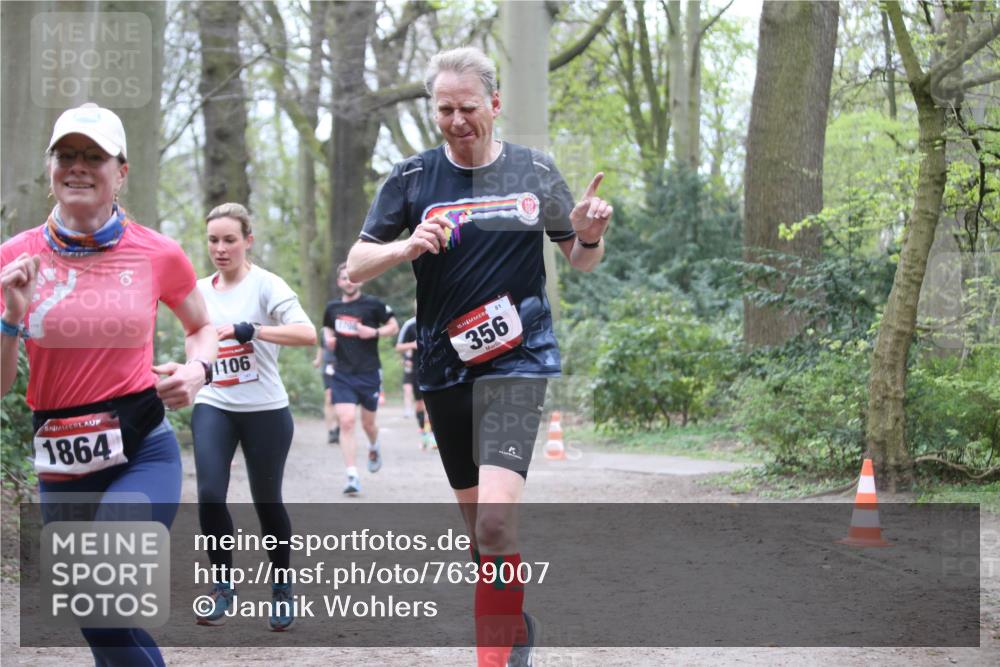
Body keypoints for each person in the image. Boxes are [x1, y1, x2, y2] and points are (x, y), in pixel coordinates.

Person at [346, 47, 612, 667]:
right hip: (443, 370)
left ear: (495, 104)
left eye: (468, 107)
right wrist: (406, 245)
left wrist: (590, 232)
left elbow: (580, 257)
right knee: (479, 537)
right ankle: (514, 625)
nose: (457, 119)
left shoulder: (535, 172)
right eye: (444, 109)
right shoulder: (412, 179)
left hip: (519, 363)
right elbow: (355, 265)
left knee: (495, 526)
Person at [0, 103, 216, 666]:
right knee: (100, 620)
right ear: (50, 168)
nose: (77, 167)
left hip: (141, 451)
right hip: (60, 463)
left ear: (121, 171)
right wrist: (11, 319)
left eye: (93, 156)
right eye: (66, 155)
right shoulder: (15, 257)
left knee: (102, 587)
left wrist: (198, 370)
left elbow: (202, 328)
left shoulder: (157, 252)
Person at [190, 203, 316, 631]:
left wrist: (254, 330)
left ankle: (281, 586)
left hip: (265, 410)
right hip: (214, 404)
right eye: (213, 240)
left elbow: (307, 333)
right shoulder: (198, 290)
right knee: (209, 493)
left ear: (248, 240)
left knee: (267, 502)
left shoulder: (266, 285)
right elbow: (194, 343)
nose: (220, 249)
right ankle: (222, 586)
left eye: (229, 239)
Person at [321, 263, 398, 495]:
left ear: (361, 280)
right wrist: (329, 339)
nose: (349, 281)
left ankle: (374, 445)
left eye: (353, 277)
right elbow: (326, 328)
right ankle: (352, 475)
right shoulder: (332, 308)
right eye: (344, 278)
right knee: (346, 421)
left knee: (368, 424)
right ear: (339, 282)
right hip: (342, 373)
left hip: (369, 373)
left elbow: (394, 326)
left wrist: (374, 332)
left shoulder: (373, 304)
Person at [396, 310, 435, 450]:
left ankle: (433, 436)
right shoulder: (410, 324)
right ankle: (424, 434)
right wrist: (412, 345)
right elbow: (398, 347)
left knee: (431, 404)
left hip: (435, 368)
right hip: (416, 370)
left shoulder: (437, 319)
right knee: (419, 404)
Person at [313, 338, 340, 444]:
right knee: (329, 399)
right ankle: (330, 431)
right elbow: (321, 346)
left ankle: (338, 428)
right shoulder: (324, 330)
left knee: (340, 400)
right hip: (328, 368)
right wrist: (318, 360)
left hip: (344, 368)